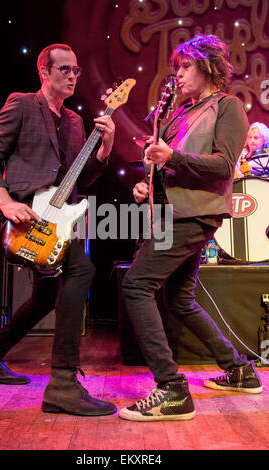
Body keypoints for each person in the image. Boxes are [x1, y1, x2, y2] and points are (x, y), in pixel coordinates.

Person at [119, 34, 262, 422]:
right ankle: (239, 370)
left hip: (193, 214)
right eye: (177, 68)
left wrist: (173, 156)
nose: (177, 75)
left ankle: (171, 389)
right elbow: (166, 165)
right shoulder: (182, 113)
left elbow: (223, 165)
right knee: (179, 300)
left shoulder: (227, 106)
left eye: (185, 66)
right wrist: (147, 182)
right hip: (173, 211)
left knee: (135, 286)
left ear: (208, 66)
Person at [0, 43, 117, 417]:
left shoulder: (74, 122)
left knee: (45, 295)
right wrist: (4, 201)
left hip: (57, 224)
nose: (73, 75)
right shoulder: (22, 103)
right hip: (26, 219)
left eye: (77, 70)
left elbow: (78, 181)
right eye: (65, 69)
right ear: (45, 72)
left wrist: (104, 150)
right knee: (82, 269)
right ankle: (63, 384)